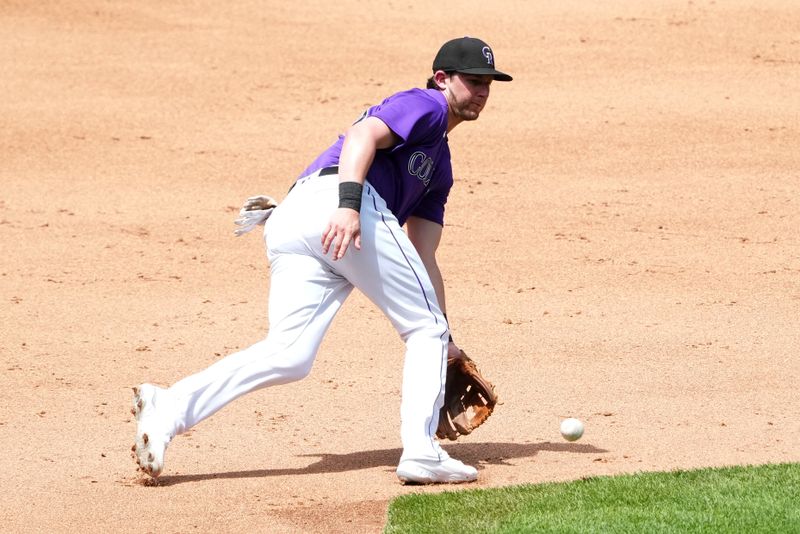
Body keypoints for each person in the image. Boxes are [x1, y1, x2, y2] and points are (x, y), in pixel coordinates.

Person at [131, 36, 512, 484]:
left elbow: (423, 254)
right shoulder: (425, 104)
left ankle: (168, 406)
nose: (482, 91)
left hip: (298, 220)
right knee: (424, 328)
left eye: (488, 82)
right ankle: (421, 451)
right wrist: (349, 204)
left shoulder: (440, 168)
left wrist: (446, 341)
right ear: (443, 78)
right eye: (472, 81)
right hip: (337, 204)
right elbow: (363, 133)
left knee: (290, 354)